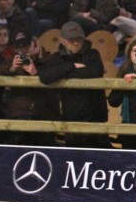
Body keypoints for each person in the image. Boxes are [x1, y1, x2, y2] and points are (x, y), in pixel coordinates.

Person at [39, 21, 112, 149]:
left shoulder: (92, 54)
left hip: (95, 117)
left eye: (79, 39)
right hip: (72, 119)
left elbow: (95, 72)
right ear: (62, 40)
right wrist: (71, 66)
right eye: (71, 39)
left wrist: (64, 73)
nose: (76, 42)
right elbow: (45, 77)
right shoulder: (56, 58)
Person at [0, 27, 59, 146]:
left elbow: (53, 91)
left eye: (27, 46)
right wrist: (11, 69)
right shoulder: (13, 61)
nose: (24, 51)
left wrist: (36, 73)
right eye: (20, 48)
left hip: (43, 115)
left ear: (34, 42)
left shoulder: (49, 59)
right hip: (19, 115)